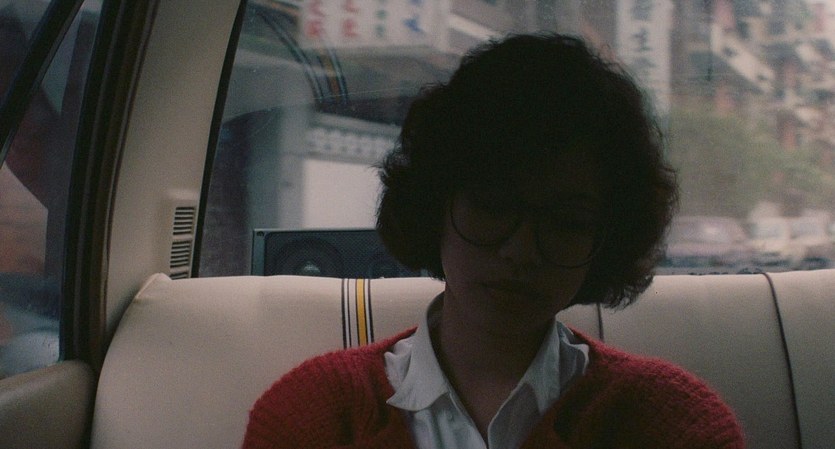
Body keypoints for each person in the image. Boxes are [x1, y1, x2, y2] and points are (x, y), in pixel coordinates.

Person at [242, 33, 745, 449]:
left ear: (606, 241)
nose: (521, 250)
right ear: (435, 205)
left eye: (566, 222)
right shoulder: (310, 417)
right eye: (491, 206)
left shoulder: (675, 426)